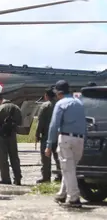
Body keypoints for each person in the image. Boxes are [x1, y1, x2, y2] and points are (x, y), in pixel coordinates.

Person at [45, 80, 87, 208]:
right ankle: (62, 193)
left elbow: (54, 125)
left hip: (66, 138)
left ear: (58, 92)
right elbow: (84, 124)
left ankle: (74, 198)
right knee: (69, 168)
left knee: (68, 169)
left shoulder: (61, 104)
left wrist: (48, 144)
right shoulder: (79, 103)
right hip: (80, 139)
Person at [0, 94, 22, 185]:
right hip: (12, 134)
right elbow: (20, 121)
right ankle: (17, 178)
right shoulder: (16, 108)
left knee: (2, 158)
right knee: (14, 157)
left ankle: (5, 178)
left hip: (1, 135)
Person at [35, 88, 61, 183]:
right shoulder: (60, 104)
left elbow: (40, 121)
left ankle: (46, 177)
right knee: (58, 157)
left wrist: (37, 134)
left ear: (46, 95)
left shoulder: (45, 105)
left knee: (46, 157)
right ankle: (60, 175)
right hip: (59, 135)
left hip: (47, 135)